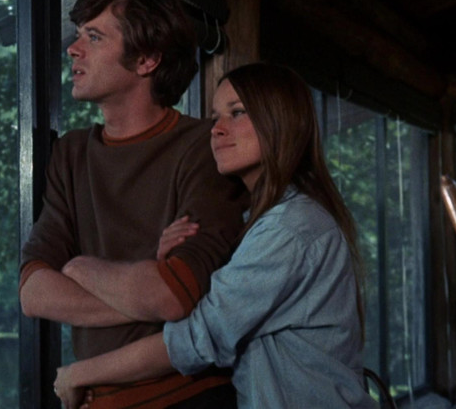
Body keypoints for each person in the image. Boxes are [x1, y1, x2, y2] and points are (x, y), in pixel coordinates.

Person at [53, 63, 378, 408]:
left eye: (236, 113)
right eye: (214, 117)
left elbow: (199, 338)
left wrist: (78, 372)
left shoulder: (290, 228)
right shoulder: (260, 223)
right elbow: (214, 310)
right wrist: (165, 267)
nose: (216, 129)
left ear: (280, 122)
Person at [18, 0, 248, 409]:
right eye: (78, 35)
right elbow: (33, 292)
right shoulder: (71, 153)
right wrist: (147, 290)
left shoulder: (205, 146)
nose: (73, 49)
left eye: (94, 37)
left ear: (146, 60)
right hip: (93, 398)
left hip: (188, 399)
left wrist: (79, 268)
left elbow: (173, 295)